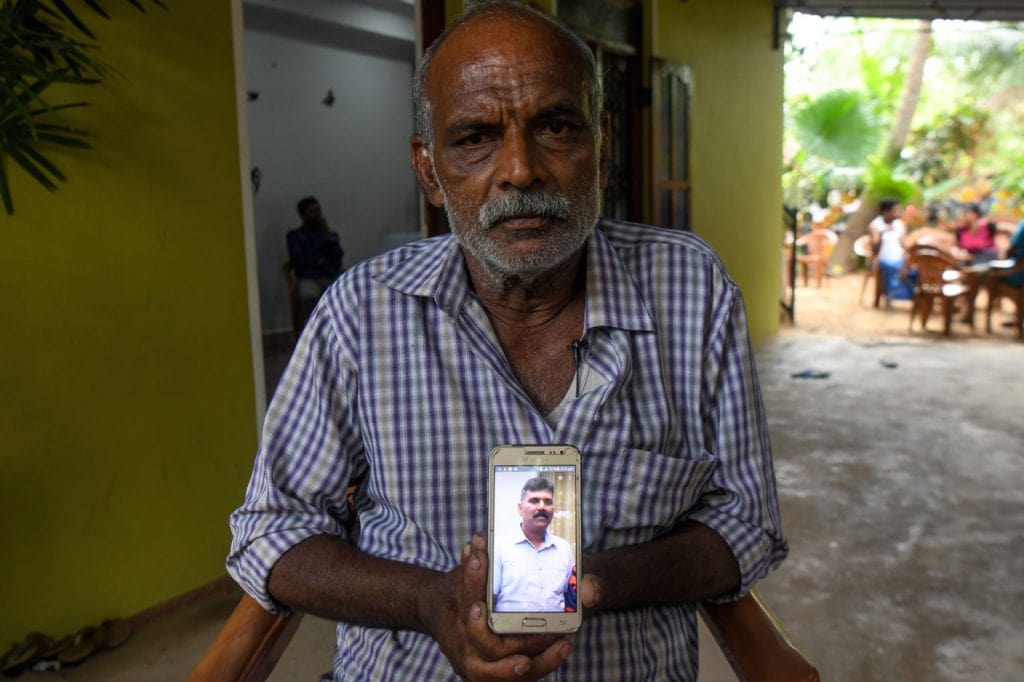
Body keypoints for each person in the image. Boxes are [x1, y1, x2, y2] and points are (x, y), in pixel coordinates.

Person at [228, 3, 787, 680]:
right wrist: (429, 602)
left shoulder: (692, 292)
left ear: (601, 147)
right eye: (475, 138)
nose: (521, 170)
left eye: (555, 126)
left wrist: (584, 583)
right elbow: (272, 532)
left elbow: (746, 524)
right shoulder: (360, 313)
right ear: (430, 172)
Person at [492, 477, 575, 613]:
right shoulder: (500, 546)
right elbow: (491, 598)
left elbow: (568, 596)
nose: (542, 507)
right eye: (534, 501)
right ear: (520, 509)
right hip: (509, 630)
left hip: (555, 630)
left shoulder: (563, 548)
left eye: (548, 502)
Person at [285, 196, 344, 322]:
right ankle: (312, 333)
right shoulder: (294, 236)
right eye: (312, 211)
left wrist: (329, 237)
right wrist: (321, 261)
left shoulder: (330, 235)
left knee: (344, 293)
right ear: (302, 215)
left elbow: (337, 258)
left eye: (318, 210)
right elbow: (299, 262)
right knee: (308, 296)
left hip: (330, 275)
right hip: (308, 277)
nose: (317, 214)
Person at [868, 198, 914, 301]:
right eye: (895, 210)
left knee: (914, 270)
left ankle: (910, 295)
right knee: (891, 266)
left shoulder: (900, 224)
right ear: (886, 211)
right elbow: (874, 247)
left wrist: (906, 258)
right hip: (883, 259)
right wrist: (881, 233)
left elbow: (904, 244)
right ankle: (893, 294)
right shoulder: (875, 225)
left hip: (900, 258)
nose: (898, 212)